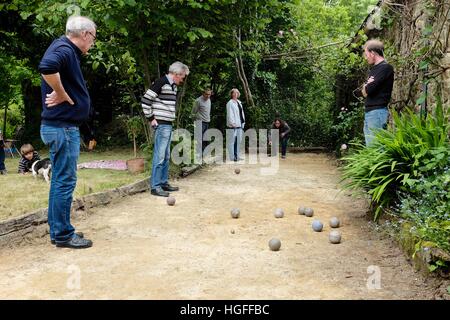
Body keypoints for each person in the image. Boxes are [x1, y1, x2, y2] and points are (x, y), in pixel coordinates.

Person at [38, 15, 96, 249]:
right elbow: (47, 67)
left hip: (59, 127)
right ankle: (63, 234)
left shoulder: (63, 48)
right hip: (62, 129)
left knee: (59, 181)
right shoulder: (64, 48)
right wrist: (61, 93)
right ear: (84, 34)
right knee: (64, 182)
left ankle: (58, 230)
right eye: (93, 37)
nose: (92, 42)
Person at [142, 61, 190, 197]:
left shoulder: (173, 86)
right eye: (182, 76)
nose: (182, 79)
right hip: (161, 125)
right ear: (176, 73)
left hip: (168, 124)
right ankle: (155, 186)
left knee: (166, 155)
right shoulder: (161, 82)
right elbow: (145, 101)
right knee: (160, 155)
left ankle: (163, 183)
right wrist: (151, 118)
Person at [361, 39, 394, 146]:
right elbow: (364, 92)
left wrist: (366, 86)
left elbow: (368, 89)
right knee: (370, 148)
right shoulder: (374, 69)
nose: (366, 58)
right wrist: (366, 86)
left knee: (376, 148)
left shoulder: (385, 68)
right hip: (370, 112)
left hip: (377, 113)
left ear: (373, 53)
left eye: (366, 54)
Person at [226, 88, 245, 162]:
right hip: (233, 125)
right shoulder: (230, 103)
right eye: (234, 93)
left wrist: (243, 123)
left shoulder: (239, 102)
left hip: (239, 124)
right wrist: (232, 123)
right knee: (232, 141)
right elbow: (230, 114)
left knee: (238, 141)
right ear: (231, 94)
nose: (236, 94)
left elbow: (241, 114)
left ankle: (237, 156)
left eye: (237, 92)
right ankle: (232, 157)